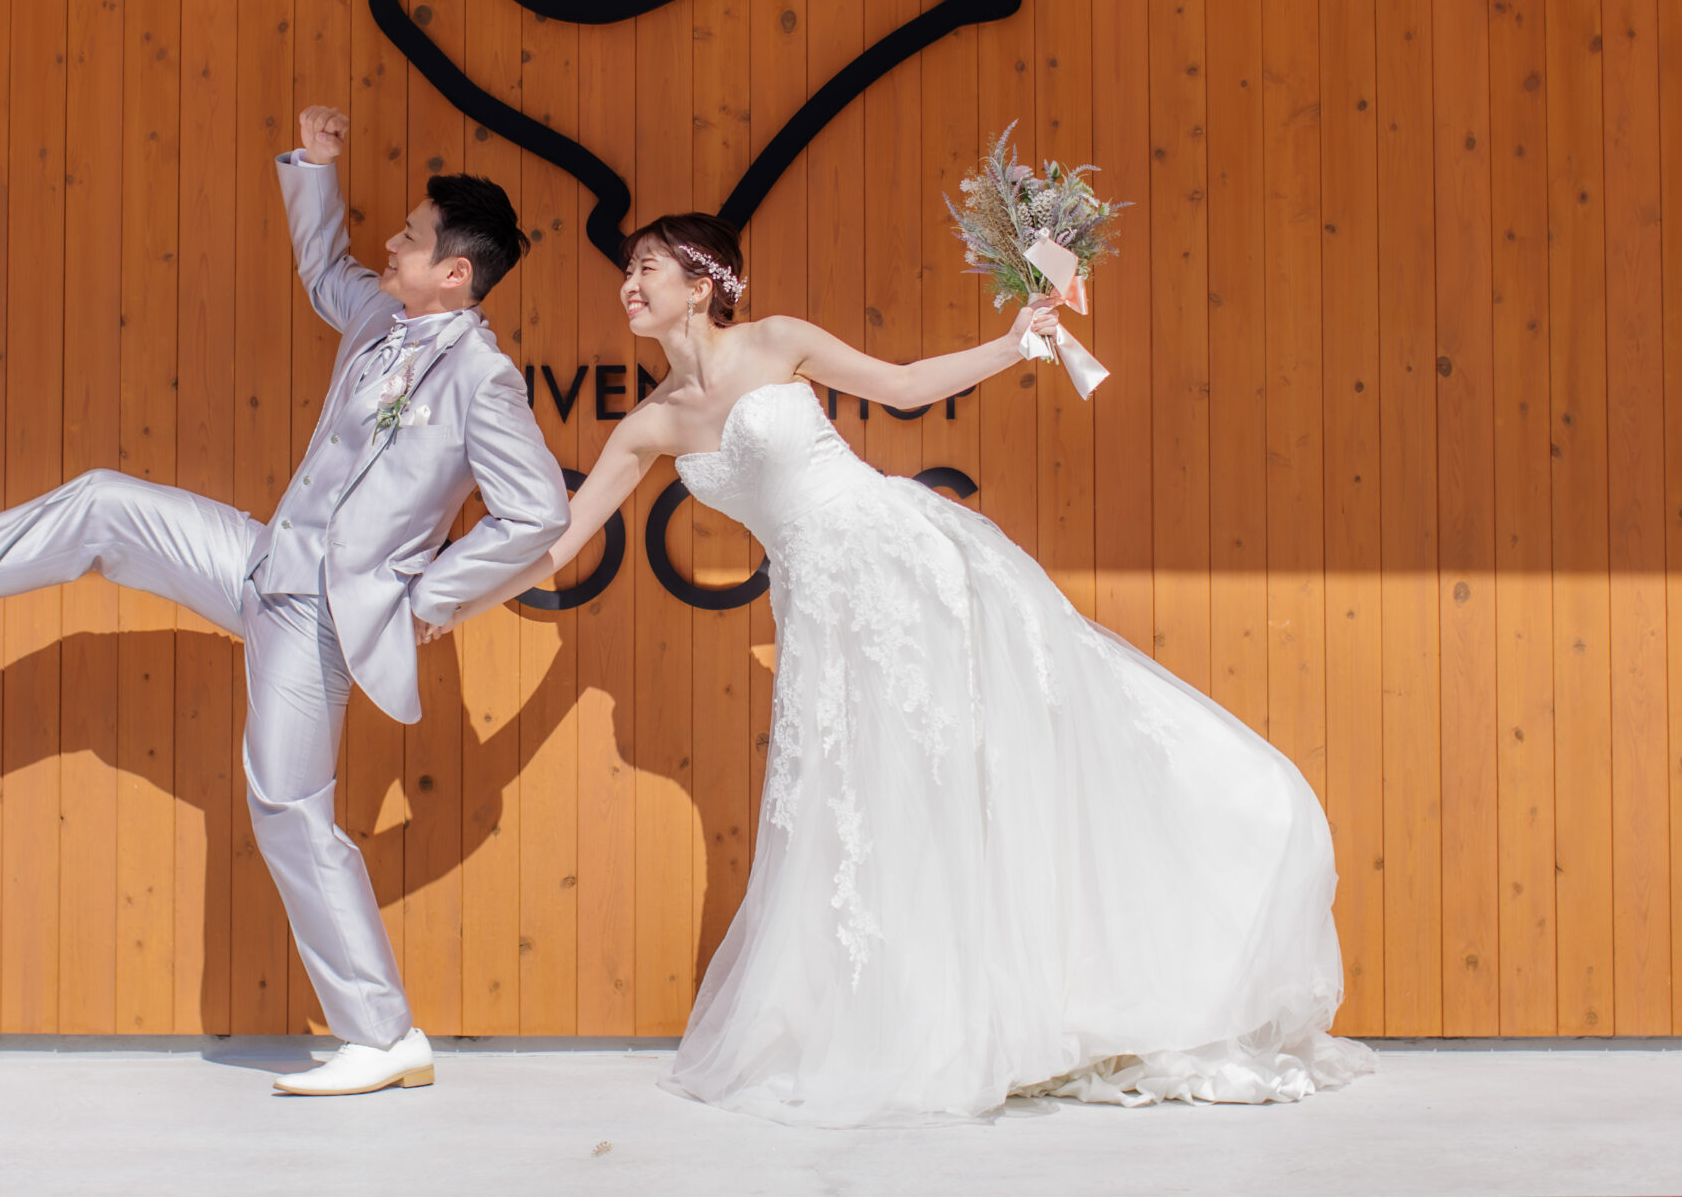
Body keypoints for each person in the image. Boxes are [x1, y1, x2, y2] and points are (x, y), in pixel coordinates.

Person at [477, 214, 1376, 1126]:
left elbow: (902, 385)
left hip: (904, 563)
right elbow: (560, 542)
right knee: (869, 803)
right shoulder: (652, 422)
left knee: (976, 767)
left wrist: (1011, 343)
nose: (628, 284)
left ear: (701, 283)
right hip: (820, 615)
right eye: (628, 270)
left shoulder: (776, 340)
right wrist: (454, 599)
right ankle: (937, 1022)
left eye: (646, 267)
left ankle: (1121, 937)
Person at [0, 105, 568, 1097]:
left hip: (322, 617)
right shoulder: (381, 317)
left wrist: (428, 597)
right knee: (102, 502)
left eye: (413, 237)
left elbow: (537, 514)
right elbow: (323, 271)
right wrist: (315, 166)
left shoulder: (483, 377)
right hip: (260, 565)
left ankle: (384, 1036)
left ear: (455, 272)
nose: (392, 241)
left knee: (288, 807)